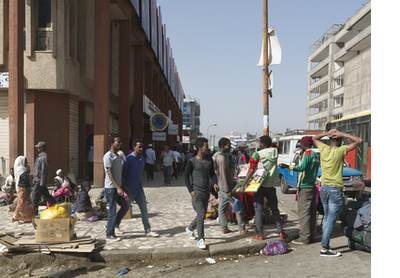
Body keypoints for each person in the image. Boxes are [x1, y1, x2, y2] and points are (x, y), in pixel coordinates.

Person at [313, 129, 363, 257]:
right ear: (339, 140)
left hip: (324, 188)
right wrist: (343, 134)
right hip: (335, 189)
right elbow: (359, 141)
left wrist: (326, 134)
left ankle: (326, 245)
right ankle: (324, 249)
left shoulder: (324, 149)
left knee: (327, 218)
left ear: (330, 140)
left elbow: (315, 138)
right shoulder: (340, 150)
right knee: (331, 219)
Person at [241, 135, 287, 241]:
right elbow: (276, 145)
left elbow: (251, 170)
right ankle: (281, 232)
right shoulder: (275, 151)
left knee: (258, 210)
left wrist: (244, 184)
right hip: (271, 185)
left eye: (260, 143)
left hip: (260, 186)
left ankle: (260, 234)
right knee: (275, 209)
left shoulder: (257, 154)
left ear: (263, 144)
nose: (259, 145)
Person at [279, 136, 320, 245]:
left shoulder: (307, 154)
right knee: (311, 213)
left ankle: (304, 238)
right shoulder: (315, 154)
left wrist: (288, 166)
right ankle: (311, 236)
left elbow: (302, 168)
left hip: (305, 187)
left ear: (303, 144)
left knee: (304, 214)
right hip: (312, 186)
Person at [213, 138, 252, 235]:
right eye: (228, 145)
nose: (230, 147)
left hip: (221, 187)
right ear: (223, 146)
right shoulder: (221, 158)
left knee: (222, 209)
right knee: (238, 207)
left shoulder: (217, 156)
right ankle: (241, 228)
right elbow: (223, 175)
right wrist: (227, 190)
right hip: (226, 188)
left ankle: (223, 228)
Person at [184, 138, 218, 249]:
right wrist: (191, 191)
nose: (208, 148)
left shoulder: (209, 161)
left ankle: (189, 228)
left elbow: (212, 174)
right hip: (196, 193)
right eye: (206, 146)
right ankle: (201, 240)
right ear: (200, 148)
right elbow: (185, 176)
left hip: (206, 192)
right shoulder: (192, 161)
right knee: (202, 214)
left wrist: (215, 184)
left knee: (201, 216)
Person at [122, 139, 159, 237]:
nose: (141, 148)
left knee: (144, 210)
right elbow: (123, 174)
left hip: (139, 190)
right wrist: (124, 186)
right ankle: (114, 225)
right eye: (139, 146)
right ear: (134, 147)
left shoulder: (142, 159)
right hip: (129, 190)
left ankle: (148, 230)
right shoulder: (128, 159)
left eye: (142, 147)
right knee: (124, 209)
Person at [103, 135, 130, 241]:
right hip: (111, 188)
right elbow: (109, 172)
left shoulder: (118, 156)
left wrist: (123, 186)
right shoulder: (108, 156)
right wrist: (118, 187)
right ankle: (109, 234)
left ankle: (112, 224)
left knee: (125, 206)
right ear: (111, 143)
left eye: (120, 142)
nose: (120, 143)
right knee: (112, 210)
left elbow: (119, 173)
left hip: (119, 187)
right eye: (118, 142)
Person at [31, 141, 56, 215]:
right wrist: (34, 178)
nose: (37, 149)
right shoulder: (40, 156)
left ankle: (34, 212)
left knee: (34, 196)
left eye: (38, 147)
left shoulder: (44, 157)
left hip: (40, 180)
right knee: (46, 195)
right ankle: (55, 204)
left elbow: (44, 170)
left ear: (42, 148)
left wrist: (42, 182)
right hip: (38, 180)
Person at [13, 156, 35, 222]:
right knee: (21, 203)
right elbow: (24, 177)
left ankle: (29, 218)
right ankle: (15, 217)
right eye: (25, 161)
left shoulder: (23, 168)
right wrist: (28, 170)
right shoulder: (20, 168)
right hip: (22, 188)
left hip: (26, 188)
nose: (26, 163)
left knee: (28, 203)